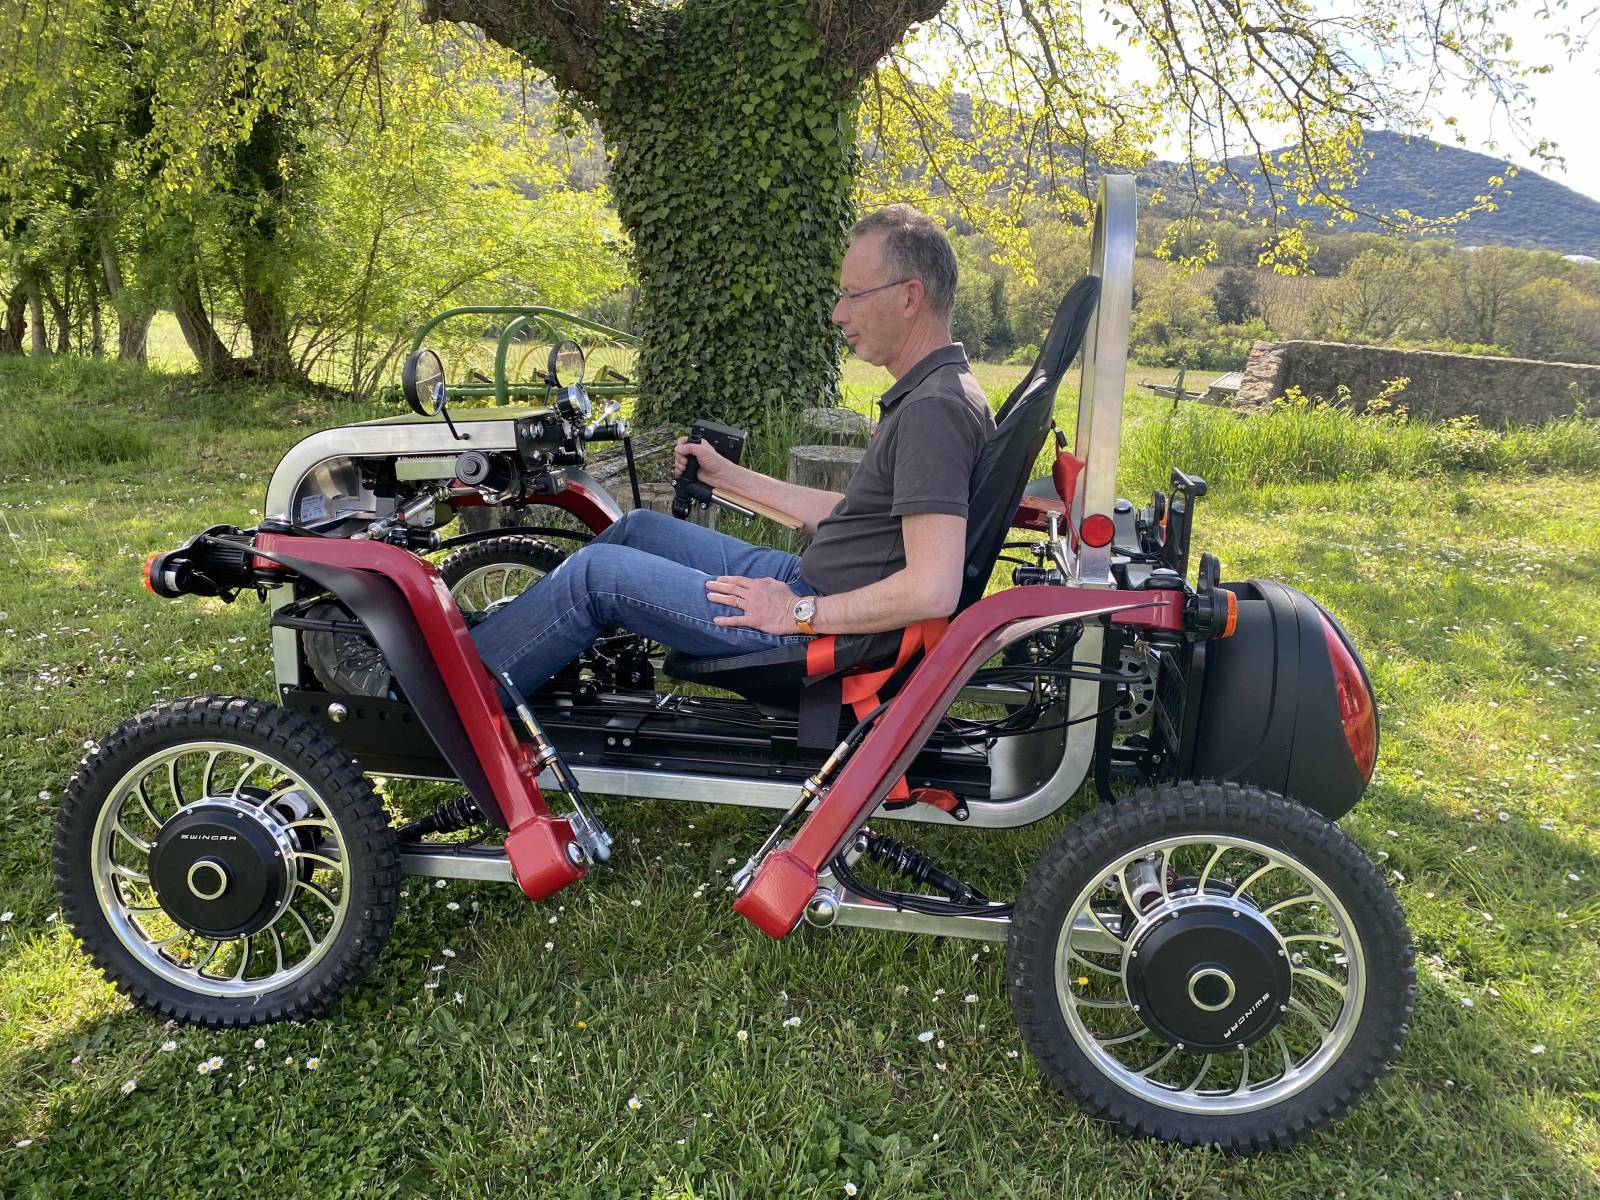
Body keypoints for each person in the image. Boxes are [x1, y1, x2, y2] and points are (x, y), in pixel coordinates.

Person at [470, 204, 996, 699]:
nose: (839, 314)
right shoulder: (936, 390)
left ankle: (461, 700)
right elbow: (856, 515)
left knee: (596, 575)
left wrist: (795, 613)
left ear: (909, 297)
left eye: (853, 295)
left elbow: (932, 589)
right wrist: (727, 476)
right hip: (809, 583)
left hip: (817, 626)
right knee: (638, 530)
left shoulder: (934, 409)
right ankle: (526, 648)